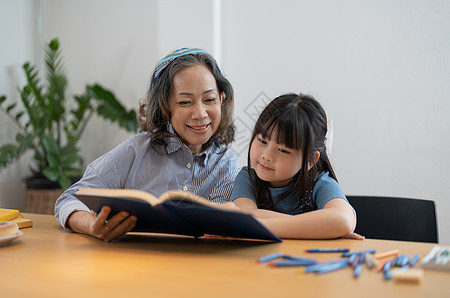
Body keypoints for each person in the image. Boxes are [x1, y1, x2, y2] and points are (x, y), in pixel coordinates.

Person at [55, 48, 240, 241]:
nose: (200, 114)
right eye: (185, 102)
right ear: (164, 107)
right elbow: (69, 199)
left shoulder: (228, 165)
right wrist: (90, 225)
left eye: (209, 99)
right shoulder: (136, 150)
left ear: (221, 99)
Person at [229, 93, 362, 239]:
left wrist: (257, 225)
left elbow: (343, 220)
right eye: (262, 141)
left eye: (283, 150)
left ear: (310, 160)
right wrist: (319, 228)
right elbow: (244, 217)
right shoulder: (247, 178)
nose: (266, 155)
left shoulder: (320, 184)